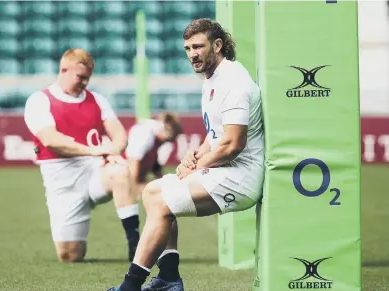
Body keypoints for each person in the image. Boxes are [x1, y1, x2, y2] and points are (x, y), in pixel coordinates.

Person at [107, 18, 265, 291]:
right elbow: (217, 134)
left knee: (161, 201)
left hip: (240, 178)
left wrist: (198, 165)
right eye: (188, 48)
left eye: (198, 46)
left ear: (217, 45)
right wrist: (196, 153)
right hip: (224, 170)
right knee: (151, 192)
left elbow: (233, 144)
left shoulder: (234, 81)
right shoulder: (213, 79)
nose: (192, 54)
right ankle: (168, 277)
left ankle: (131, 286)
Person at [24, 48, 140, 263]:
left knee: (121, 170)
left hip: (96, 170)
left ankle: (136, 246)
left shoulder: (97, 100)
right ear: (63, 70)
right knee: (70, 255)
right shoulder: (39, 100)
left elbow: (119, 134)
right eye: (80, 77)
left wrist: (113, 152)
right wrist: (92, 150)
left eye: (88, 78)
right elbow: (50, 139)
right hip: (62, 178)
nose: (85, 83)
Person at [124, 112, 182, 196]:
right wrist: (135, 189)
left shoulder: (153, 136)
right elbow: (133, 164)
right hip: (121, 176)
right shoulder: (144, 133)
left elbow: (155, 167)